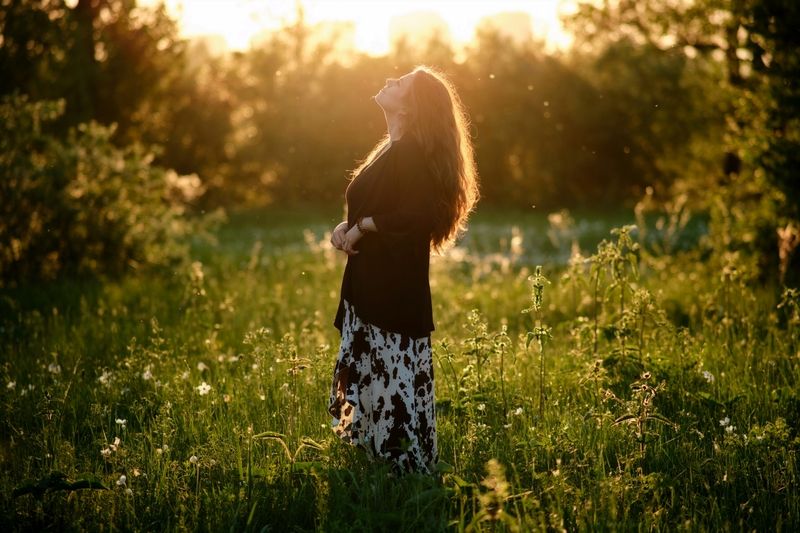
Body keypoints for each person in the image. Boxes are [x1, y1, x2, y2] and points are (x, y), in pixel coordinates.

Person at [327, 65, 479, 474]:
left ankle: (400, 484)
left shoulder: (410, 152)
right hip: (369, 292)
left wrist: (363, 227)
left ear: (411, 108)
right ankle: (377, 475)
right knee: (375, 394)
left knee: (393, 396)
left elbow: (415, 217)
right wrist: (346, 226)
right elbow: (377, 207)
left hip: (391, 297)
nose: (390, 81)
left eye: (401, 83)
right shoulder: (391, 150)